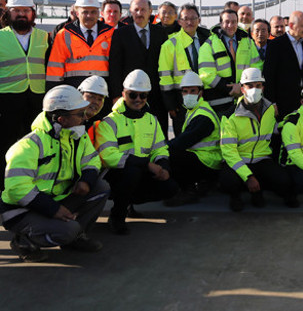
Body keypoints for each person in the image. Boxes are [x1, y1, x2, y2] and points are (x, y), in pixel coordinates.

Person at [1, 85, 110, 262]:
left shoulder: (76, 135)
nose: (85, 117)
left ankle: (75, 238)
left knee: (100, 187)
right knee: (69, 229)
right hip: (22, 210)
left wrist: (86, 181)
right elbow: (17, 189)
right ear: (62, 119)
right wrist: (53, 209)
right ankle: (24, 240)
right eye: (80, 114)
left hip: (55, 198)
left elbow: (92, 160)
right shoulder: (28, 146)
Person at [95, 69, 179, 235]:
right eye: (133, 95)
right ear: (123, 94)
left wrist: (163, 166)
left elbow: (160, 148)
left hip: (140, 171)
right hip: (115, 175)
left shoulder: (151, 120)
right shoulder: (110, 121)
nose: (138, 100)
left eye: (143, 95)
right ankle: (117, 216)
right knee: (131, 173)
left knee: (171, 187)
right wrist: (146, 164)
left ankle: (129, 204)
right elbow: (108, 156)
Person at [220, 68, 297, 211]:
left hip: (261, 159)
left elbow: (274, 129)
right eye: (250, 86)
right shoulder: (230, 116)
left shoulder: (269, 109)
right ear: (242, 89)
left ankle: (258, 192)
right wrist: (248, 177)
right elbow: (228, 152)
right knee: (228, 180)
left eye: (258, 85)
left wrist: (291, 123)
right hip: (238, 160)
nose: (254, 90)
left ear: (263, 87)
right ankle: (236, 196)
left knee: (284, 181)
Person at [0, 0, 50, 185]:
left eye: (25, 10)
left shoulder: (44, 37)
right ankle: (5, 187)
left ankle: (33, 185)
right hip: (7, 100)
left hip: (37, 99)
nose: (21, 14)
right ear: (8, 13)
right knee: (6, 144)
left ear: (32, 13)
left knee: (35, 144)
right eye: (17, 10)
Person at [108, 0, 168, 132]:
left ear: (150, 11)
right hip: (132, 95)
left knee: (158, 131)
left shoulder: (160, 33)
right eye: (136, 10)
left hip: (156, 95)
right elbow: (115, 66)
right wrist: (116, 94)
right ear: (130, 12)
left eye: (143, 10)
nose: (139, 13)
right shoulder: (120, 34)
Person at [164, 71, 222, 207]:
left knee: (173, 154)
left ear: (200, 93)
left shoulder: (203, 116)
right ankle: (203, 183)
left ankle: (188, 191)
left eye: (192, 91)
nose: (188, 94)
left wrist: (159, 149)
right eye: (185, 91)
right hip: (203, 159)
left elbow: (182, 142)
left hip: (209, 161)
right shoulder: (195, 110)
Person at [159, 3, 211, 136]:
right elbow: (165, 77)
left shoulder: (209, 40)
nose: (189, 22)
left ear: (199, 20)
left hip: (206, 97)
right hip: (181, 100)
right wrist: (170, 105)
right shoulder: (169, 45)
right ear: (179, 21)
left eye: (193, 18)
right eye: (185, 19)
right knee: (183, 136)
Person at [198, 9, 261, 117]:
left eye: (234, 22)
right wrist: (231, 88)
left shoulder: (248, 42)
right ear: (220, 23)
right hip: (219, 103)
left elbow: (257, 66)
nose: (230, 25)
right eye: (227, 22)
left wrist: (242, 87)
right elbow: (206, 74)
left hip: (245, 99)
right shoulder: (209, 45)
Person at [46, 0, 113, 90]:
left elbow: (116, 66)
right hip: (73, 89)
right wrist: (54, 92)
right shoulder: (64, 34)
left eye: (93, 12)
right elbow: (56, 66)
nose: (89, 16)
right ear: (77, 13)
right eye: (85, 12)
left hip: (103, 90)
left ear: (98, 13)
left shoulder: (111, 33)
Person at [263, 11, 303, 120]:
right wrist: (272, 102)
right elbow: (269, 75)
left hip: (302, 103)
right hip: (282, 104)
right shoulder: (276, 45)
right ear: (291, 25)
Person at [78, 75, 109, 142]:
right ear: (80, 95)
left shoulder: (101, 126)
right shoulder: (67, 122)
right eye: (91, 96)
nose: (95, 102)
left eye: (100, 99)